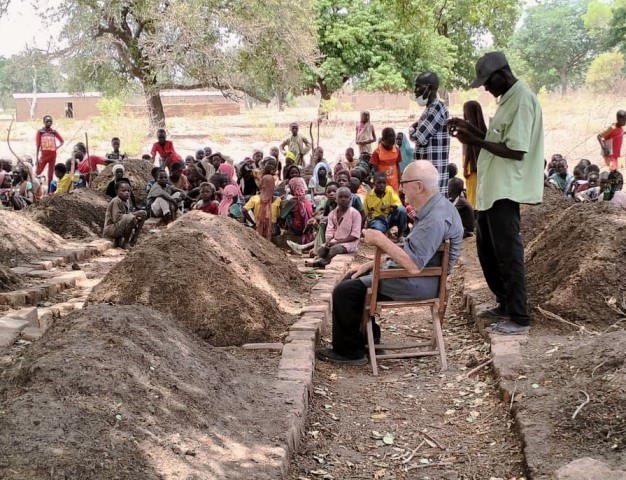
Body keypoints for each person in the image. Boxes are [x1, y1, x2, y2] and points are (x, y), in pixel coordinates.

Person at [316, 161, 463, 365]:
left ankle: (350, 352)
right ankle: (368, 340)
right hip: (421, 277)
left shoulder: (436, 218)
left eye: (404, 183)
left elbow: (413, 264)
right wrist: (375, 263)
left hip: (418, 282)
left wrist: (380, 240)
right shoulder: (438, 206)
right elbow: (415, 249)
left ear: (419, 186)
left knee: (345, 291)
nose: (401, 188)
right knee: (353, 277)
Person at [448, 51, 543, 335]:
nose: (486, 89)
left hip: (507, 189)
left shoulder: (522, 100)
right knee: (487, 251)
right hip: (491, 190)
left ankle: (519, 316)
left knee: (508, 253)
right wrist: (470, 129)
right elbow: (497, 139)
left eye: (488, 82)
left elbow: (516, 149)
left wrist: (476, 139)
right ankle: (504, 303)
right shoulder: (506, 100)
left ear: (502, 74)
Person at [409, 72, 450, 197]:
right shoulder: (429, 108)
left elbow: (419, 137)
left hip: (433, 174)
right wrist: (415, 129)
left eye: (418, 86)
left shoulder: (436, 107)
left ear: (429, 87)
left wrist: (412, 128)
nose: (415, 91)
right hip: (427, 173)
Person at [306, 187, 362, 269]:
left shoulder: (355, 214)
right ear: (336, 199)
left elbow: (354, 235)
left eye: (346, 197)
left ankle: (323, 262)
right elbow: (329, 231)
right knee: (320, 250)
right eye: (340, 197)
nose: (343, 199)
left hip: (349, 243)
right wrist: (328, 242)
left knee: (334, 250)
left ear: (350, 199)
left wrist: (338, 242)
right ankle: (322, 259)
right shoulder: (332, 214)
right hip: (334, 241)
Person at [364, 172, 408, 243]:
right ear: (374, 183)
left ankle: (400, 235)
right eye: (379, 183)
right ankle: (384, 232)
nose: (382, 185)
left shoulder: (389, 190)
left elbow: (398, 204)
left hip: (389, 217)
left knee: (402, 210)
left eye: (384, 183)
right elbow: (366, 213)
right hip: (378, 219)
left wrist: (389, 206)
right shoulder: (369, 195)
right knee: (378, 229)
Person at [103, 182, 146, 249]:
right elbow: (117, 218)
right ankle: (126, 243)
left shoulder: (127, 201)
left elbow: (127, 215)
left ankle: (134, 240)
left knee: (143, 214)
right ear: (117, 191)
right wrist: (134, 214)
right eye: (123, 191)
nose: (126, 193)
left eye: (128, 191)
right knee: (132, 218)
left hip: (119, 225)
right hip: (111, 228)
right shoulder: (116, 201)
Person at [461, 101, 487, 208]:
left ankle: (474, 217)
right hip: (482, 166)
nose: (463, 113)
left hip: (471, 167)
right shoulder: (483, 130)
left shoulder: (468, 129)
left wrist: (464, 167)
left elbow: (468, 150)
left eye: (464, 111)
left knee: (472, 194)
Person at [280, 177, 314, 244]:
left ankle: (289, 232)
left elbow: (282, 216)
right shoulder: (308, 200)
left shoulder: (292, 201)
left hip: (298, 230)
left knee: (288, 215)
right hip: (309, 228)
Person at [35, 115, 64, 192]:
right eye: (47, 121)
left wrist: (57, 147)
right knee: (38, 171)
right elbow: (38, 145)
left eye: (50, 121)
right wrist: (36, 158)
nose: (49, 122)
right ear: (44, 122)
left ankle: (49, 191)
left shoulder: (54, 132)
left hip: (53, 156)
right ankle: (34, 188)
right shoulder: (40, 132)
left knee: (50, 174)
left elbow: (62, 141)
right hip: (44, 156)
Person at [370, 127, 402, 193]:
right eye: (388, 143)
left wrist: (399, 178)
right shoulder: (376, 153)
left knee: (395, 200)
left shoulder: (397, 150)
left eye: (392, 143)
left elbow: (397, 165)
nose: (390, 146)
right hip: (382, 184)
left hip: (394, 183)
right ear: (382, 140)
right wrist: (377, 184)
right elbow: (375, 170)